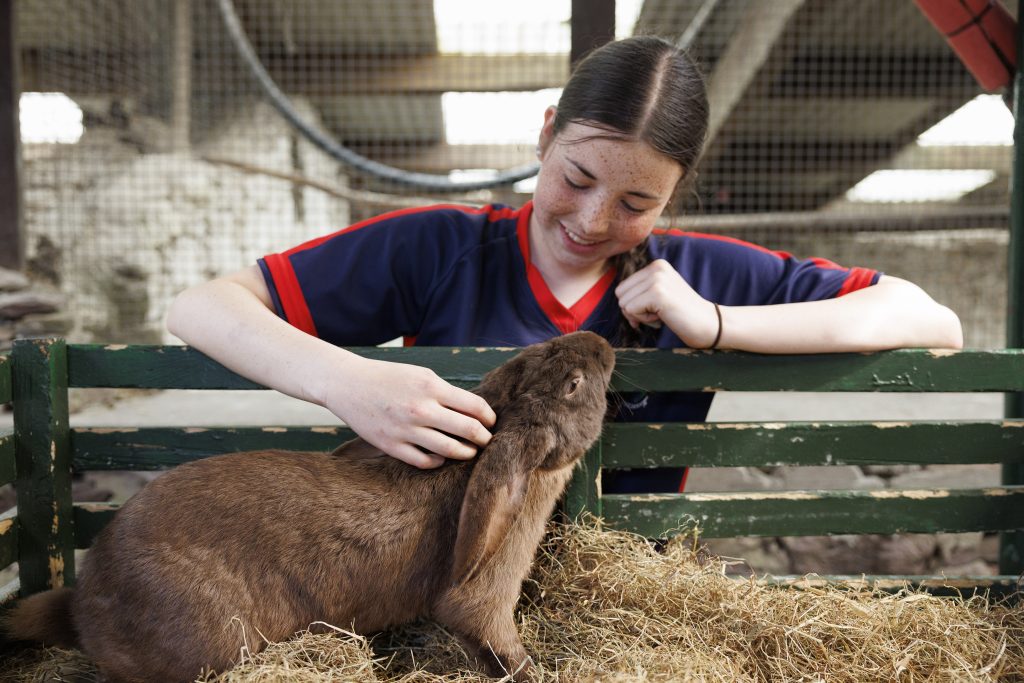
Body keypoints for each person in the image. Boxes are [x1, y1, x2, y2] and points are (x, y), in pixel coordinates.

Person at [167, 36, 963, 493]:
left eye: (636, 203)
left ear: (676, 193)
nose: (591, 221)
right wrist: (349, 381)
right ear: (546, 135)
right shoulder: (439, 246)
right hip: (446, 572)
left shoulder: (696, 273)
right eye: (576, 178)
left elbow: (933, 319)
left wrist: (716, 321)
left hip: (630, 595)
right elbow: (199, 307)